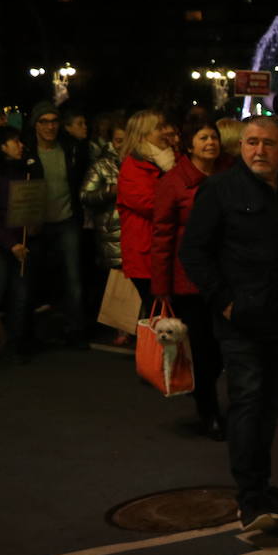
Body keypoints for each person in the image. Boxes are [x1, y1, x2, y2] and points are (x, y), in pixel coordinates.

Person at [179, 116, 278, 533]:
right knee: (248, 402)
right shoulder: (220, 189)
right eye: (251, 142)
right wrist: (225, 302)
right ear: (241, 146)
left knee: (269, 406)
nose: (259, 150)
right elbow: (194, 251)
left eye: (268, 143)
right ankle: (250, 497)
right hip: (241, 320)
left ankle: (264, 486)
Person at [150, 115, 229, 439]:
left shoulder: (230, 173)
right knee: (202, 349)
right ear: (190, 145)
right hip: (189, 278)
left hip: (227, 274)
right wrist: (161, 286)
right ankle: (208, 410)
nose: (210, 143)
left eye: (213, 137)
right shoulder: (175, 181)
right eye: (203, 138)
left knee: (226, 346)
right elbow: (162, 235)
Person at [24, 100, 91, 347]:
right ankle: (28, 334)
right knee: (32, 279)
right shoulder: (27, 152)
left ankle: (76, 330)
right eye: (44, 121)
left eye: (53, 121)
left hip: (66, 221)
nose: (50, 126)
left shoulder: (70, 150)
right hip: (36, 224)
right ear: (35, 125)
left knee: (73, 278)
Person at [116, 110, 178, 308]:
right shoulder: (133, 167)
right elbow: (150, 205)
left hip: (166, 250)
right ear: (143, 134)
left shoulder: (170, 160)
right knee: (158, 312)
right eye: (159, 128)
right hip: (145, 252)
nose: (166, 131)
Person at [80, 117, 127, 340]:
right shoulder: (102, 164)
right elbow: (85, 195)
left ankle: (134, 324)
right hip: (111, 227)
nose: (122, 145)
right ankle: (121, 327)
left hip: (133, 226)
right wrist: (109, 191)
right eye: (118, 140)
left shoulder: (140, 161)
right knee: (117, 277)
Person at [0, 126, 36, 361]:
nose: (20, 145)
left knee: (21, 294)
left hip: (22, 242)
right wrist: (10, 244)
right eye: (15, 141)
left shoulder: (25, 172)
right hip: (4, 245)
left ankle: (16, 343)